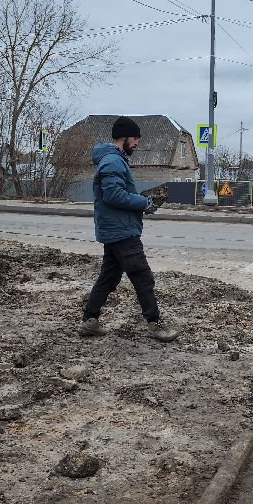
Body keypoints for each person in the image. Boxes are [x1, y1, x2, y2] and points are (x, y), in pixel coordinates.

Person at [79, 116, 178, 341]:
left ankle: (89, 320)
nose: (137, 143)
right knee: (142, 276)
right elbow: (112, 195)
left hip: (116, 228)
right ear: (123, 137)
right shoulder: (112, 161)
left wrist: (141, 200)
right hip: (121, 230)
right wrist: (143, 203)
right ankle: (155, 323)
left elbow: (117, 193)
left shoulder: (114, 159)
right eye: (134, 138)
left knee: (109, 276)